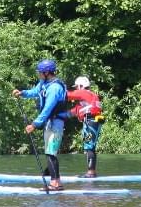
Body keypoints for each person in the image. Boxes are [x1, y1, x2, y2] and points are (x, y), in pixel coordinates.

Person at [12, 59, 70, 190]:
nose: (38, 74)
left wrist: (34, 124)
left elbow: (47, 109)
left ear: (47, 72)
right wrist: (22, 93)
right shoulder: (45, 83)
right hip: (49, 123)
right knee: (50, 153)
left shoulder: (55, 88)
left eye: (40, 72)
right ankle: (57, 182)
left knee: (51, 153)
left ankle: (55, 183)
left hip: (56, 123)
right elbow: (35, 91)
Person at [67, 76, 104, 177]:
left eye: (77, 87)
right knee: (89, 146)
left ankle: (91, 172)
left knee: (89, 147)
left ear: (81, 86)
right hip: (92, 122)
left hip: (91, 122)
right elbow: (74, 111)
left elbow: (67, 95)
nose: (76, 89)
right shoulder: (89, 96)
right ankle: (91, 171)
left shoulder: (83, 92)